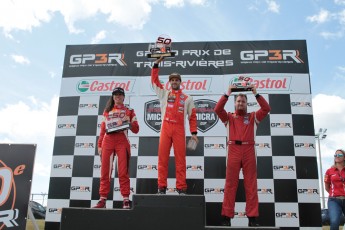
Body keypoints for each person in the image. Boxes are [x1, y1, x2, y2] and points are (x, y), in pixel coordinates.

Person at [214, 84, 271, 227]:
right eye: (238, 101)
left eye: (243, 101)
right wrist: (228, 93)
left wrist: (256, 93)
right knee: (230, 185)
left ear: (247, 103)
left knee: (251, 185)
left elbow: (266, 109)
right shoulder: (228, 117)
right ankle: (226, 217)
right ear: (235, 103)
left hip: (249, 150)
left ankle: (252, 218)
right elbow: (217, 109)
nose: (240, 103)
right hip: (233, 149)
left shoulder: (253, 117)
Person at [151, 56, 198, 195]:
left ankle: (181, 188)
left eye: (177, 80)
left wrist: (194, 133)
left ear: (180, 82)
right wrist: (155, 65)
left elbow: (192, 116)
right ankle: (161, 187)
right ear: (170, 82)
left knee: (180, 160)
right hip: (165, 128)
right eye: (172, 80)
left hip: (179, 129)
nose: (174, 82)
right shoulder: (164, 94)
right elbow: (154, 81)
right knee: (162, 159)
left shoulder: (187, 98)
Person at [93, 87, 139, 209]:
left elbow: (136, 129)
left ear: (124, 97)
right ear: (113, 97)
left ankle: (125, 199)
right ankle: (102, 199)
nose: (118, 96)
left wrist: (129, 123)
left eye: (120, 94)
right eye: (115, 95)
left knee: (123, 171)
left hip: (122, 141)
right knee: (105, 171)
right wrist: (99, 145)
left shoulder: (129, 110)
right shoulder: (107, 111)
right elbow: (102, 130)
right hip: (107, 141)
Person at [324, 149, 345, 230]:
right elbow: (327, 187)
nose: (337, 156)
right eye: (335, 155)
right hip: (334, 200)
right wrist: (335, 194)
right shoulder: (329, 171)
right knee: (334, 221)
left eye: (339, 155)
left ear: (344, 157)